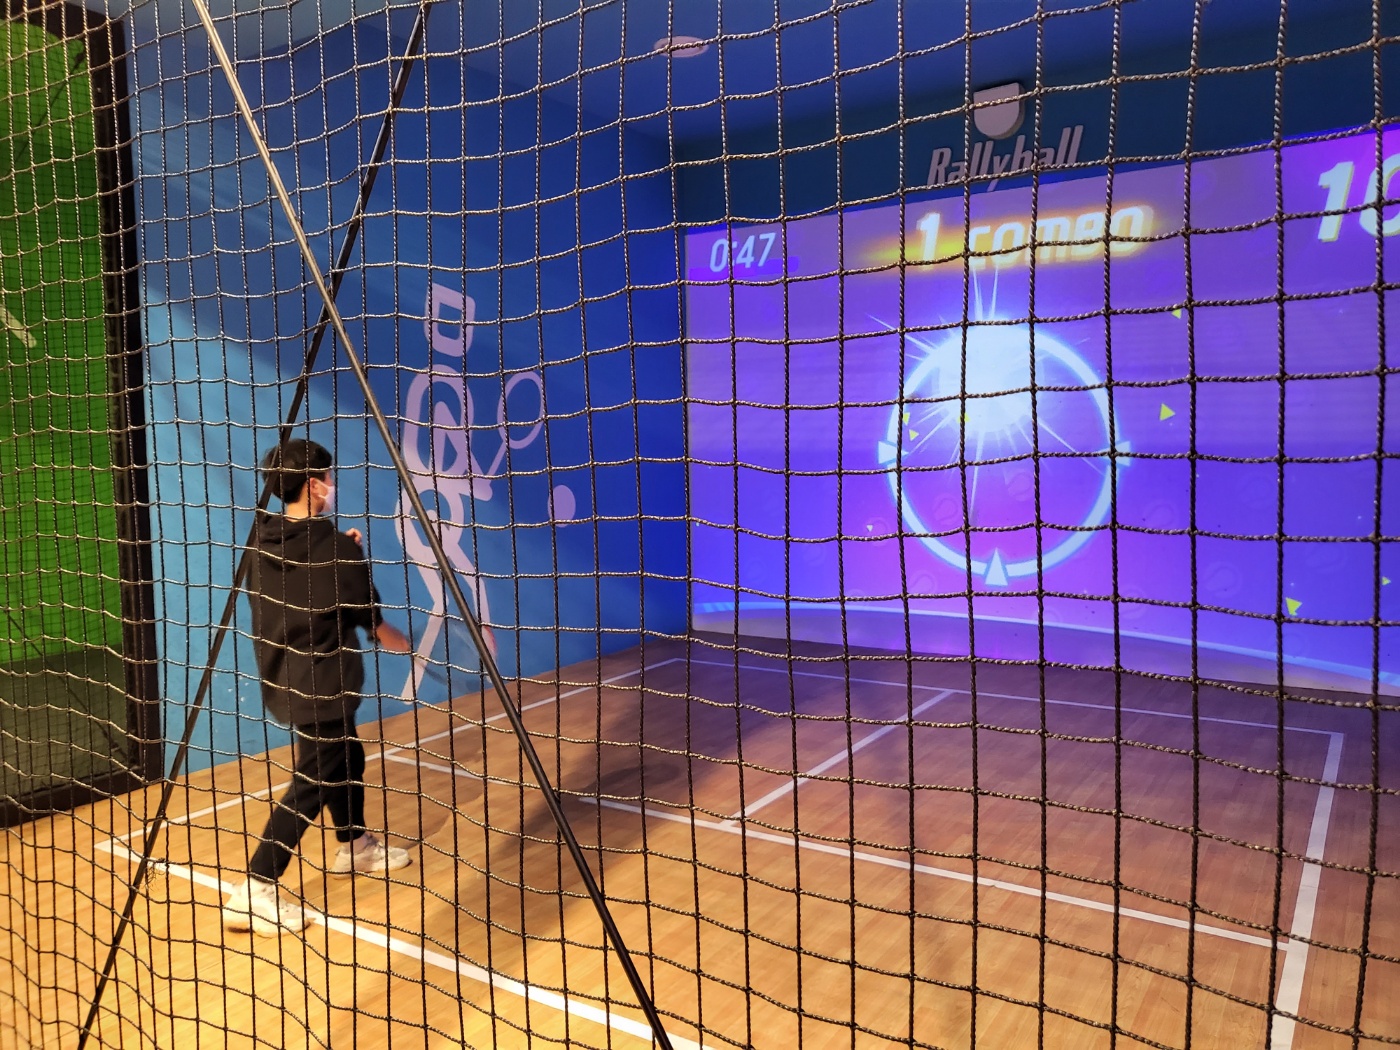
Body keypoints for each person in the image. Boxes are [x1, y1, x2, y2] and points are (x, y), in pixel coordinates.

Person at [223, 437, 414, 936]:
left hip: (285, 678)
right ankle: (255, 890)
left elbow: (309, 581)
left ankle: (354, 846)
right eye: (327, 478)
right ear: (312, 485)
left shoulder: (261, 541)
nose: (332, 484)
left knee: (347, 756)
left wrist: (343, 554)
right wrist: (410, 647)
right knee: (312, 782)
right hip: (324, 682)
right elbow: (374, 624)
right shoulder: (335, 551)